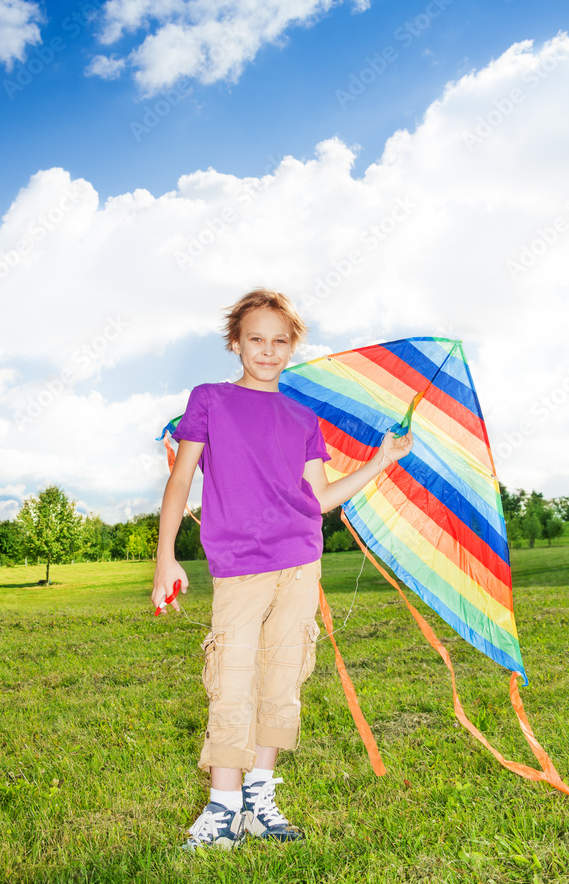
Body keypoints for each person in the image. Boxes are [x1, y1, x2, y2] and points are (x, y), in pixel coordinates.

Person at [151, 289, 412, 850]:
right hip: (240, 568)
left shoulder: (301, 418)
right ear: (236, 342)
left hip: (300, 561)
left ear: (292, 346)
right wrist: (165, 555)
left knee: (282, 677)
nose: (267, 351)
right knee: (232, 678)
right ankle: (222, 806)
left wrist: (381, 459)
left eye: (279, 341)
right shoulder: (210, 400)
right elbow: (180, 480)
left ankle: (258, 797)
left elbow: (319, 499)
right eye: (256, 340)